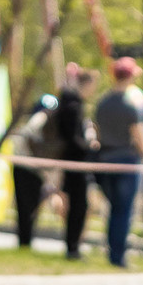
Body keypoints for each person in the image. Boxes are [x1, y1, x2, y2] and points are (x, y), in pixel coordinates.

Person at [91, 57, 143, 268]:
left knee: (113, 208)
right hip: (126, 160)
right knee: (123, 210)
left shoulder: (103, 102)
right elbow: (140, 138)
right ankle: (118, 255)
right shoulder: (129, 105)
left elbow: (96, 133)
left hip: (105, 159)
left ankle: (112, 251)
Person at [52, 64, 100, 260]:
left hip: (73, 162)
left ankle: (73, 246)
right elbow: (72, 138)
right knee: (78, 206)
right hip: (74, 163)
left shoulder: (72, 103)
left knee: (78, 206)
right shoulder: (72, 106)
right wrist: (89, 147)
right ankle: (72, 247)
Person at [7, 93, 56, 249]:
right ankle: (25, 242)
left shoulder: (40, 119)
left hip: (30, 167)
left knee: (29, 207)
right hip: (28, 167)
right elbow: (30, 137)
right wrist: (40, 157)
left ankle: (25, 241)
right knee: (26, 207)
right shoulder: (41, 118)